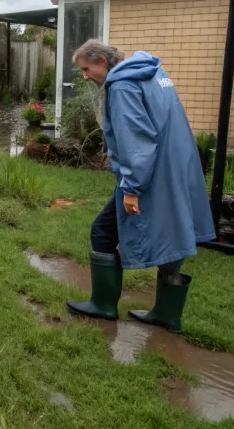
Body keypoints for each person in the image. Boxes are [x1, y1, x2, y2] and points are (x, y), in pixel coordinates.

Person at [65, 40, 215, 333]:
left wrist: (132, 187)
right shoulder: (153, 74)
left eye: (86, 69)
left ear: (103, 62)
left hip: (149, 176)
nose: (84, 75)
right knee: (173, 238)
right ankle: (166, 314)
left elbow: (136, 139)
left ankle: (103, 305)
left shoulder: (121, 86)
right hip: (175, 170)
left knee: (102, 230)